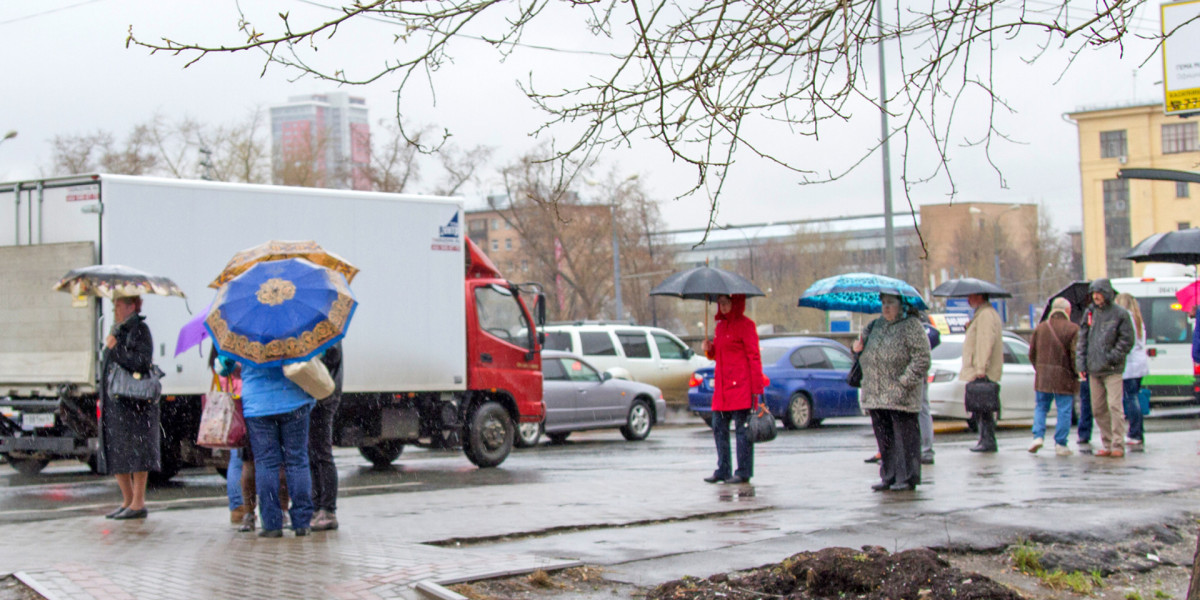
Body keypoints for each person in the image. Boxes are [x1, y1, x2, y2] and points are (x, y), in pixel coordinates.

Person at [853, 294, 930, 492]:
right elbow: (866, 356)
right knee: (884, 438)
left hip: (901, 395)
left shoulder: (911, 326)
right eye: (883, 304)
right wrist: (858, 350)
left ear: (901, 305)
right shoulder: (874, 326)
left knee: (904, 438)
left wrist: (903, 383)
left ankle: (907, 477)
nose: (886, 308)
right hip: (876, 395)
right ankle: (889, 475)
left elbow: (922, 359)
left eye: (891, 304)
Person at [238, 357, 317, 537]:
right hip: (294, 398)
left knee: (266, 464)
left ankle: (272, 524)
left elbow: (223, 365)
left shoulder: (243, 333)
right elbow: (315, 355)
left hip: (258, 405)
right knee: (297, 461)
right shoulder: (293, 329)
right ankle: (302, 523)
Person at [98, 295, 160, 520]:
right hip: (116, 402)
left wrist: (116, 350)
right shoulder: (119, 330)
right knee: (117, 451)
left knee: (137, 452)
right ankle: (127, 499)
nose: (115, 309)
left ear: (131, 306)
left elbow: (141, 362)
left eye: (118, 305)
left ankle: (138, 502)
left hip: (134, 403)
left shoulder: (140, 330)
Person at [701, 294, 763, 485]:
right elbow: (717, 355)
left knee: (742, 432)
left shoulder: (746, 325)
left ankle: (743, 471)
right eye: (721, 303)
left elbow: (754, 357)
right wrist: (709, 349)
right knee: (719, 428)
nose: (724, 307)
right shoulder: (720, 327)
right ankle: (723, 469)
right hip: (722, 389)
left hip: (740, 388)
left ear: (735, 303)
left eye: (727, 303)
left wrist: (756, 391)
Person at [1075, 278, 1134, 459]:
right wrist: (1081, 364)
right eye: (1093, 293)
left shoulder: (1120, 314)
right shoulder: (1090, 314)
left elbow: (1127, 340)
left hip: (1112, 369)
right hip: (1094, 369)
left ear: (1107, 294)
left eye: (1099, 293)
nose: (1095, 297)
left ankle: (1118, 444)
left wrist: (1112, 357)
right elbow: (1082, 340)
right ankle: (1107, 443)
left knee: (1115, 406)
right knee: (1098, 408)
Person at [1028, 297, 1079, 456]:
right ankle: (1060, 443)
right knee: (1064, 410)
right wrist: (1076, 373)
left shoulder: (1041, 328)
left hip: (1043, 378)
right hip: (1064, 378)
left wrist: (1040, 369)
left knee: (1041, 407)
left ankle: (1038, 436)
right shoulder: (1073, 329)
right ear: (1067, 311)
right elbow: (1074, 355)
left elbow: (1032, 353)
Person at [961, 293, 1003, 452]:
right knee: (982, 407)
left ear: (979, 297)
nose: (968, 299)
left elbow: (985, 342)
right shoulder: (983, 315)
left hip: (983, 371)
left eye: (970, 296)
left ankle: (987, 440)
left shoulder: (985, 315)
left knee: (983, 407)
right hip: (983, 369)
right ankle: (985, 439)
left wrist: (980, 368)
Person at [309, 343, 343, 531]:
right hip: (316, 392)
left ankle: (328, 510)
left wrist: (312, 354)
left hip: (324, 393)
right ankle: (316, 507)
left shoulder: (327, 326)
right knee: (311, 453)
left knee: (321, 453)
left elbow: (332, 355)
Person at [1114, 293, 1148, 449]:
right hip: (1140, 363)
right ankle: (1138, 431)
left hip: (1130, 364)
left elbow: (1126, 342)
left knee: (1130, 398)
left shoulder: (1125, 317)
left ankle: (1134, 433)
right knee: (1134, 397)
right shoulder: (1138, 318)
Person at [919, 317, 940, 465]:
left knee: (921, 410)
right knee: (921, 410)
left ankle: (925, 449)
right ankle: (924, 449)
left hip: (915, 376)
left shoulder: (916, 325)